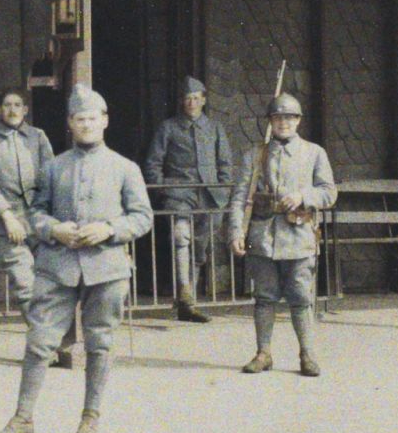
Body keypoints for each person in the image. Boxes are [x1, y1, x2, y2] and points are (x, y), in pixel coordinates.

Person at [0, 84, 151, 433]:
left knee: (99, 343)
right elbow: (35, 212)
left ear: (105, 121)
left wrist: (109, 229)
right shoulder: (53, 167)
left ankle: (90, 417)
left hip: (106, 269)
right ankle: (23, 418)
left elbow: (142, 218)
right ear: (70, 124)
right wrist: (53, 229)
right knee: (39, 342)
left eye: (93, 118)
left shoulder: (125, 169)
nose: (86, 125)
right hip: (57, 268)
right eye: (80, 119)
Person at [230, 92, 338, 377]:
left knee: (301, 297)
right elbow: (240, 196)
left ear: (298, 120)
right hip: (263, 236)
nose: (283, 123)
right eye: (278, 118)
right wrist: (235, 231)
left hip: (299, 235)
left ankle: (307, 354)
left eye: (289, 118)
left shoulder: (314, 153)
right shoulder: (255, 154)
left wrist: (303, 195)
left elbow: (329, 192)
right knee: (264, 297)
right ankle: (263, 353)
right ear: (270, 122)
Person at [143, 77, 234, 322]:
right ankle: (185, 294)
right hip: (179, 193)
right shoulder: (168, 128)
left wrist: (222, 192)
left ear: (203, 100)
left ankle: (188, 302)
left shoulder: (215, 128)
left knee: (200, 247)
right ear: (181, 101)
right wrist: (164, 189)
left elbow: (225, 163)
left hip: (209, 195)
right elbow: (153, 164)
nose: (191, 102)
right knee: (181, 236)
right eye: (187, 98)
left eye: (196, 98)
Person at [0, 86, 54, 329]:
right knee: (25, 284)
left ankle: (52, 339)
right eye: (7, 105)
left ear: (26, 109)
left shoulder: (38, 137)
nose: (12, 110)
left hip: (38, 219)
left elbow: (51, 176)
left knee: (50, 283)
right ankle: (42, 341)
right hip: (6, 223)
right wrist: (7, 216)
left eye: (17, 105)